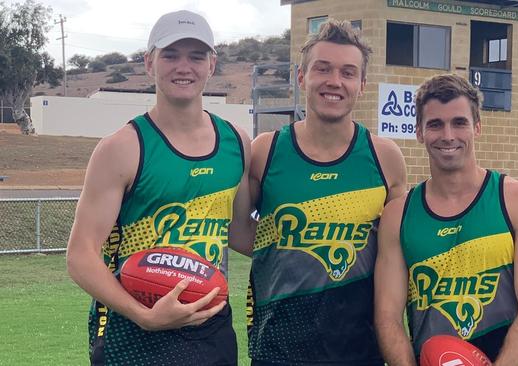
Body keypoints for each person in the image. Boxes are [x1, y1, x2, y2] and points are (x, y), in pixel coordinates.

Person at [66, 10, 251, 366]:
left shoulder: (236, 142)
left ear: (212, 64)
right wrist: (143, 315)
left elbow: (241, 233)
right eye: (170, 55)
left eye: (196, 56)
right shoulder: (122, 147)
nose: (184, 67)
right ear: (149, 63)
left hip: (210, 327)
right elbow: (80, 255)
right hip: (134, 331)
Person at [238, 19, 407, 366]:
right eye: (323, 69)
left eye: (348, 72)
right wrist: (285, 247)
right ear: (302, 77)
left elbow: (398, 252)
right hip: (278, 349)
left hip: (361, 351)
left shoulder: (385, 157)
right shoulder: (265, 152)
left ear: (362, 84)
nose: (335, 81)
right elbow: (235, 228)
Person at [374, 74, 518, 366]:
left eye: (459, 123)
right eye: (435, 124)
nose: (448, 136)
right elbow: (387, 317)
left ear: (477, 127)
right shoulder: (398, 215)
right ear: (419, 131)